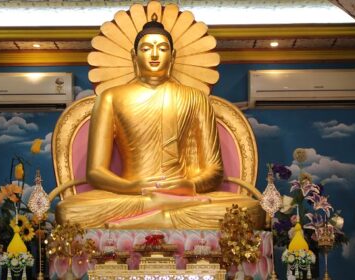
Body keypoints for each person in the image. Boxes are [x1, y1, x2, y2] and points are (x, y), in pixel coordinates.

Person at [56, 17, 264, 229]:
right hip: (134, 195)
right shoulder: (110, 97)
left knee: (250, 210)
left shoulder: (196, 98)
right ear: (133, 55)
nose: (154, 54)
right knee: (69, 210)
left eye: (162, 48)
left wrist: (189, 185)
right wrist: (131, 186)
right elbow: (95, 172)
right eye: (146, 48)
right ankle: (162, 216)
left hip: (183, 198)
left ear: (172, 56)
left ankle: (146, 221)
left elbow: (214, 171)